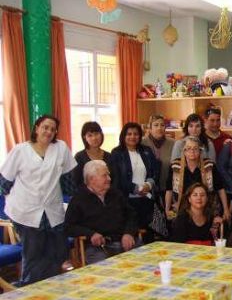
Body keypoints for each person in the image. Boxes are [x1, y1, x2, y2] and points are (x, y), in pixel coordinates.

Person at [0, 115, 77, 284]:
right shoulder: (20, 150)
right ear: (36, 128)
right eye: (45, 127)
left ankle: (52, 290)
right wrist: (7, 198)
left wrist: (74, 199)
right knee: (34, 254)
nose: (48, 131)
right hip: (25, 211)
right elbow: (5, 180)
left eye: (52, 129)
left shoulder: (60, 148)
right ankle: (29, 292)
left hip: (52, 210)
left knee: (56, 252)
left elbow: (68, 178)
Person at [65, 160, 139, 264]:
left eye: (108, 175)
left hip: (124, 241)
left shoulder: (116, 194)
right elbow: (69, 226)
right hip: (98, 247)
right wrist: (91, 234)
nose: (109, 179)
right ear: (91, 179)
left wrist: (128, 233)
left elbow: (132, 215)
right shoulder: (79, 199)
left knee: (145, 259)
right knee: (104, 268)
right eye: (104, 176)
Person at [165, 136, 230, 222]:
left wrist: (226, 209)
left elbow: (220, 188)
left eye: (195, 148)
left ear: (200, 151)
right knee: (175, 224)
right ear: (184, 151)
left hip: (206, 207)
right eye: (188, 148)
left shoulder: (209, 165)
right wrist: (167, 209)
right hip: (181, 207)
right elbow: (169, 190)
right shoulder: (175, 166)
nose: (192, 151)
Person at [110, 122, 159, 233]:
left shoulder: (146, 151)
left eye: (136, 134)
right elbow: (117, 178)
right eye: (129, 134)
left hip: (146, 200)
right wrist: (135, 189)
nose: (133, 137)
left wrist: (149, 184)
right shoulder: (117, 153)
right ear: (123, 136)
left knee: (148, 234)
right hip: (127, 201)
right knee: (131, 233)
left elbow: (155, 171)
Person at [141, 115, 175, 201]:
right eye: (156, 125)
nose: (159, 128)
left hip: (168, 190)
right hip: (146, 191)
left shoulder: (173, 143)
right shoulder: (142, 143)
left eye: (162, 125)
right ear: (150, 128)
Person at [72, 121, 113, 189]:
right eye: (90, 135)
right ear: (85, 137)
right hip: (86, 196)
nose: (94, 138)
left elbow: (114, 180)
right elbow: (77, 182)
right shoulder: (79, 157)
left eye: (96, 134)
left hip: (108, 195)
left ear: (101, 134)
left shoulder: (109, 156)